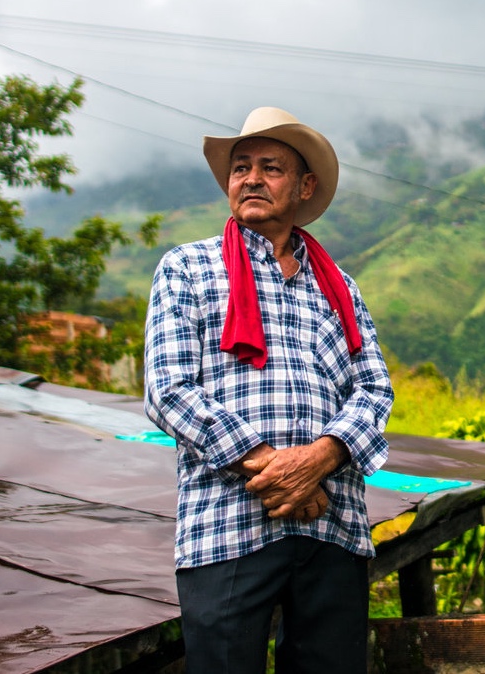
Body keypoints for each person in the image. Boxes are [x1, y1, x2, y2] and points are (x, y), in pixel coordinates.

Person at [143, 107, 394, 674]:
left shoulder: (341, 287)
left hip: (333, 525)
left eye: (270, 167)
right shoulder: (188, 268)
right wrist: (277, 469)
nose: (251, 178)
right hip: (227, 525)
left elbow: (374, 389)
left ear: (305, 187)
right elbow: (169, 390)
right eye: (241, 167)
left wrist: (320, 458)